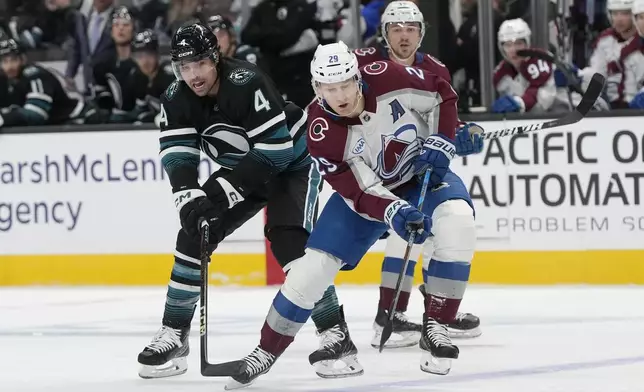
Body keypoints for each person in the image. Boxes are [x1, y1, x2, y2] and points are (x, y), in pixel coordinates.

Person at [223, 41, 477, 390]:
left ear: (358, 78)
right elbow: (359, 190)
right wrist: (394, 210)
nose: (339, 95)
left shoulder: (389, 76)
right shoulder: (321, 132)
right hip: (368, 198)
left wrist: (442, 139)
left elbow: (441, 93)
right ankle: (266, 350)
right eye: (329, 88)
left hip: (422, 177)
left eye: (345, 84)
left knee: (458, 221)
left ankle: (437, 325)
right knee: (311, 268)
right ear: (317, 88)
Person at [136, 22, 326, 379]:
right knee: (194, 230)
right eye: (185, 66)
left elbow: (277, 150)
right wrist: (187, 195)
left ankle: (335, 334)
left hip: (294, 163)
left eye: (200, 64)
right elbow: (177, 153)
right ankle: (175, 333)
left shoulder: (245, 81)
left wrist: (224, 191)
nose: (193, 75)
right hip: (248, 166)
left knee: (289, 243)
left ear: (215, 59)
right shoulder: (177, 97)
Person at [349, 0, 482, 350]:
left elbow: (440, 119)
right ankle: (388, 314)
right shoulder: (361, 64)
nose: (404, 36)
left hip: (419, 167)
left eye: (411, 28)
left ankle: (438, 315)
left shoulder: (437, 69)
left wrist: (459, 134)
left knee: (450, 225)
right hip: (374, 169)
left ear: (421, 33)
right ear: (384, 32)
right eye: (396, 28)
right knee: (405, 228)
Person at [0, 38, 98, 127]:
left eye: (13, 60)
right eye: (4, 61)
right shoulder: (8, 81)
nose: (9, 66)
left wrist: (3, 119)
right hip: (58, 127)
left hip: (79, 120)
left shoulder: (35, 76)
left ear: (23, 59)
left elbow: (36, 115)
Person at [91, 6, 149, 123]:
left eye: (126, 25)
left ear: (134, 29)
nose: (121, 29)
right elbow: (102, 100)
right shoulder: (101, 64)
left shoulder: (144, 63)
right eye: (116, 25)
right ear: (111, 30)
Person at [491, 18, 562, 113]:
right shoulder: (501, 73)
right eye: (508, 45)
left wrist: (520, 103)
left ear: (527, 44)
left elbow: (544, 100)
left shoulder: (540, 60)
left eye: (518, 43)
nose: (513, 50)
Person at [580, 0, 636, 108]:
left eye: (624, 13)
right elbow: (597, 73)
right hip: (612, 105)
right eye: (615, 13)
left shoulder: (640, 40)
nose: (619, 19)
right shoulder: (605, 40)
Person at [131, 29, 175, 123]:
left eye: (149, 55)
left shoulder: (168, 77)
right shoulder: (138, 77)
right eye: (139, 56)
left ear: (157, 55)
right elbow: (140, 109)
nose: (145, 62)